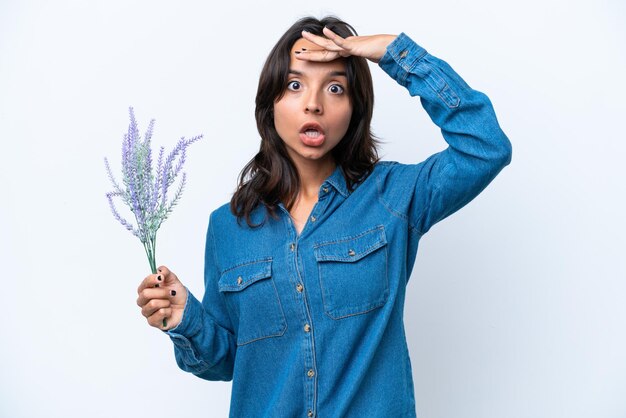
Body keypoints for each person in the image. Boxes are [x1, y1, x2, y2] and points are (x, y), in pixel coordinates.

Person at [136, 15, 511, 418]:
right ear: (271, 102)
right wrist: (184, 320)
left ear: (355, 108)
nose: (314, 103)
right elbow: (228, 363)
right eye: (295, 85)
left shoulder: (393, 197)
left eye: (335, 88)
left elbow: (485, 147)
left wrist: (394, 52)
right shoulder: (228, 226)